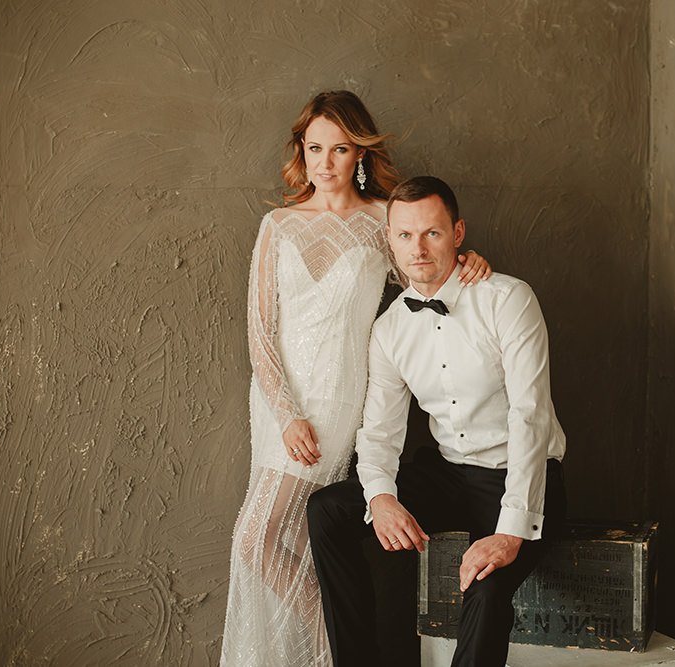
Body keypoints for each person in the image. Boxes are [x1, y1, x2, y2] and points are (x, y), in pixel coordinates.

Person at [220, 93, 491, 667]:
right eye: (314, 148)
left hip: (339, 401)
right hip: (277, 406)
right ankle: (335, 647)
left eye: (340, 149)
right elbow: (260, 331)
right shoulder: (277, 225)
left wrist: (468, 263)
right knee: (267, 541)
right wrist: (285, 413)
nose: (325, 162)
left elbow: (426, 274)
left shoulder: (380, 221)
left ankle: (338, 648)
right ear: (301, 150)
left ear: (360, 154)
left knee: (260, 538)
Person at [307, 176, 567, 667]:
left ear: (458, 233)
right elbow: (379, 432)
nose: (419, 248)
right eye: (405, 235)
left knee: (486, 588)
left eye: (432, 233)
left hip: (521, 475)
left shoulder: (508, 299)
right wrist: (381, 498)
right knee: (328, 510)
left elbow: (530, 417)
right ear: (390, 239)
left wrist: (509, 533)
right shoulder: (389, 330)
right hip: (449, 475)